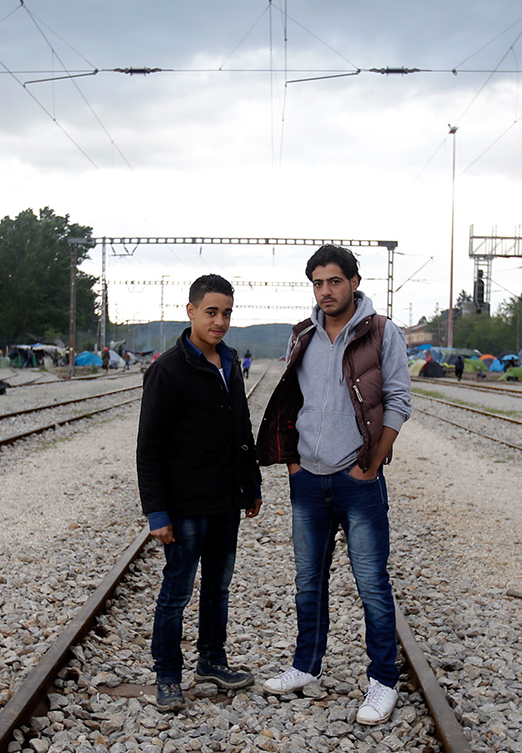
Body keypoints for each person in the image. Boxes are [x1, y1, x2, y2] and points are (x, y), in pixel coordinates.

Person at [255, 244, 413, 726]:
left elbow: (399, 401)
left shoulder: (382, 333)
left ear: (354, 282)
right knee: (308, 582)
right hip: (308, 480)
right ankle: (306, 666)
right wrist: (294, 466)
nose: (326, 291)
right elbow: (292, 401)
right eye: (318, 283)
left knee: (370, 583)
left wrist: (371, 464)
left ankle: (382, 681)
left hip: (356, 481)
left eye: (334, 281)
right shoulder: (302, 335)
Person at [137, 274, 263, 712]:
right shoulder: (167, 370)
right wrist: (157, 511)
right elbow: (148, 447)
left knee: (218, 588)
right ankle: (168, 675)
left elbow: (241, 430)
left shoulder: (229, 363)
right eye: (211, 312)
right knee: (177, 592)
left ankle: (211, 661)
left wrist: (251, 485)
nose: (220, 321)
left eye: (227, 313)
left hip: (226, 500)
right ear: (190, 311)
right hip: (186, 504)